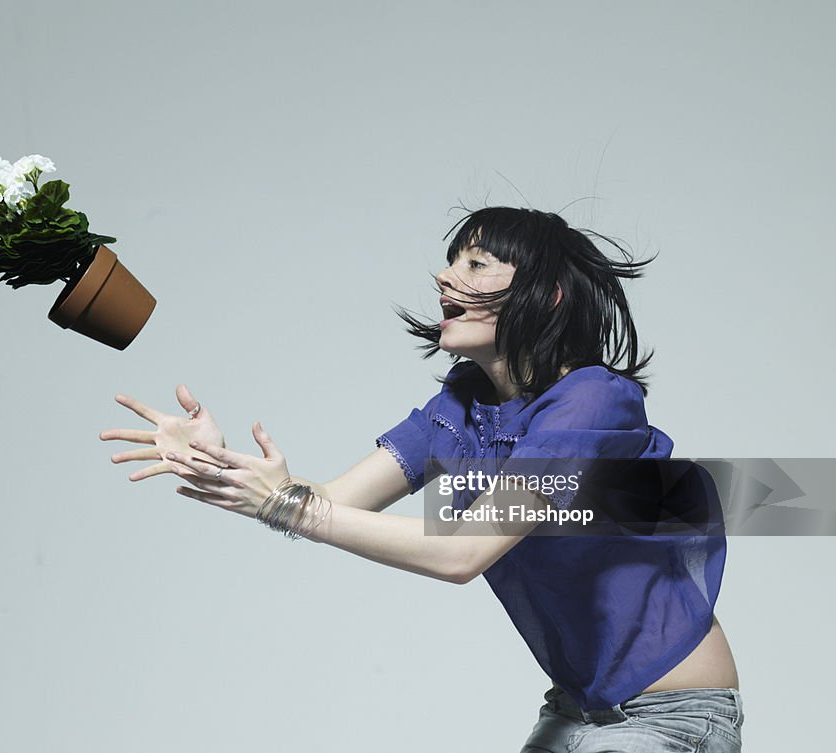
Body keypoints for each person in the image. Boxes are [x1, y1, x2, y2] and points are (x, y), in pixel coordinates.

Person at [100, 206, 743, 752]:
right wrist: (220, 467)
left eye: (476, 264)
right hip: (573, 712)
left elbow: (461, 553)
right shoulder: (459, 408)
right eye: (451, 261)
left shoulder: (592, 403)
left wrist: (287, 506)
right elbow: (331, 504)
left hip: (668, 718)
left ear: (545, 296)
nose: (444, 276)